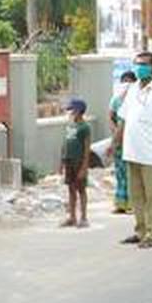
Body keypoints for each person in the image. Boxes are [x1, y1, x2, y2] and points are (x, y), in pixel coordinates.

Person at [115, 51, 152, 249]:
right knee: (136, 195)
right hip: (132, 151)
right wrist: (115, 142)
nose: (140, 68)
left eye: (144, 64)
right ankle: (140, 230)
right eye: (137, 64)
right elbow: (123, 119)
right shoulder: (132, 90)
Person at [59, 98, 91, 228]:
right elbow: (65, 144)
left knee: (81, 189)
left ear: (79, 111)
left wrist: (84, 166)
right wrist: (61, 162)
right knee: (71, 189)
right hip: (69, 161)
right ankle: (72, 216)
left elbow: (87, 148)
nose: (70, 113)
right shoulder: (70, 125)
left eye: (72, 110)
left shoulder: (85, 127)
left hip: (79, 162)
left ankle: (83, 217)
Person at [109, 71, 136, 214]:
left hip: (134, 140)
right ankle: (120, 202)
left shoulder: (138, 99)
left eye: (130, 81)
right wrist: (115, 135)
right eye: (124, 81)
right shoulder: (116, 100)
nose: (127, 84)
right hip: (120, 140)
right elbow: (111, 116)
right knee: (120, 172)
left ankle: (132, 203)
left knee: (131, 172)